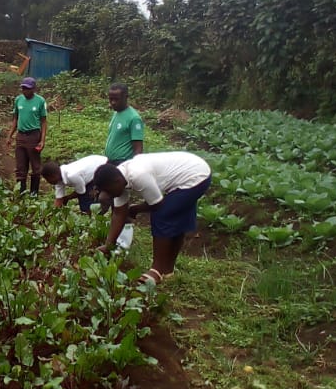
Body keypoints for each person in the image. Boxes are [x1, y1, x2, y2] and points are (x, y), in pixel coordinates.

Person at [92, 151, 212, 285]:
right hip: (189, 172)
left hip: (195, 175)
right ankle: (167, 271)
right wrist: (109, 245)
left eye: (108, 191)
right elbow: (119, 214)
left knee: (162, 215)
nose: (108, 195)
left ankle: (156, 270)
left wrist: (135, 208)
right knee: (176, 220)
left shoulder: (137, 175)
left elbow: (156, 204)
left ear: (117, 181)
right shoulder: (118, 179)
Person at [6, 77, 47, 195]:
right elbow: (15, 119)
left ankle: (34, 193)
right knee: (20, 167)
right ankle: (21, 192)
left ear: (33, 89)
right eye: (23, 88)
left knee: (35, 166)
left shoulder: (40, 101)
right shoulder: (18, 100)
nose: (25, 91)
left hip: (34, 136)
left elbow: (44, 121)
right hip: (21, 136)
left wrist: (42, 140)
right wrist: (9, 136)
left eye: (27, 88)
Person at [41, 155, 108, 214]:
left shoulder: (72, 175)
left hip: (102, 167)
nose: (48, 182)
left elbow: (81, 191)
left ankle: (95, 215)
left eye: (47, 179)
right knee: (84, 200)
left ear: (53, 176)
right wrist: (52, 214)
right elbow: (59, 199)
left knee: (86, 200)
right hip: (92, 170)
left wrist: (68, 198)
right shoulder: (59, 179)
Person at [105, 83, 144, 165]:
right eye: (111, 99)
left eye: (116, 99)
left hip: (123, 163)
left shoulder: (134, 118)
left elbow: (138, 148)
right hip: (110, 161)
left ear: (125, 97)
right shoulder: (116, 113)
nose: (113, 102)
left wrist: (133, 167)